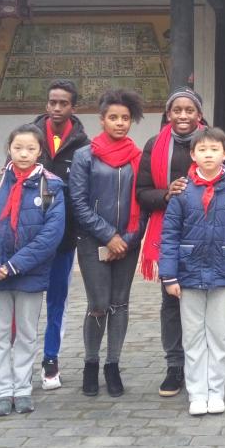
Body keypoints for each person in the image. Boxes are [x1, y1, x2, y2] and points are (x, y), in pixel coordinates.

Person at [0, 80, 89, 399]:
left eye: (63, 103)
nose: (57, 108)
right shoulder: (28, 136)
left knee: (57, 301)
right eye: (52, 102)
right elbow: (8, 177)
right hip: (15, 244)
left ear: (73, 107)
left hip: (61, 238)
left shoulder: (82, 145)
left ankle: (50, 360)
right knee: (10, 311)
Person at [136, 87, 225, 398]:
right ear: (168, 114)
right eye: (177, 110)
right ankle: (176, 365)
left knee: (215, 318)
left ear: (199, 114)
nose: (183, 115)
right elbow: (142, 192)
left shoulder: (213, 141)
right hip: (173, 230)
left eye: (189, 110)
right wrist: (168, 194)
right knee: (171, 303)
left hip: (215, 238)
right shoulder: (154, 145)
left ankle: (211, 375)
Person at [160, 127, 225, 416]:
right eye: (202, 150)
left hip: (224, 273)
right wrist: (169, 275)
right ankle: (197, 392)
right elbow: (169, 236)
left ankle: (216, 391)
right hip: (189, 273)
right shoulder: (182, 190)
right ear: (193, 154)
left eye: (214, 149)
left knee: (219, 336)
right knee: (192, 337)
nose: (208, 155)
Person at [0, 124, 65, 416]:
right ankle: (2, 391)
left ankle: (22, 388)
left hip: (29, 273)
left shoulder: (51, 186)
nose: (24, 154)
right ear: (9, 149)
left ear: (40, 152)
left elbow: (51, 234)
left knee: (26, 334)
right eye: (18, 148)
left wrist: (15, 265)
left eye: (31, 149)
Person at [70, 88, 148, 399]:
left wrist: (127, 239)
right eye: (113, 117)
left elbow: (143, 201)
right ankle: (91, 363)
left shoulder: (138, 158)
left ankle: (112, 364)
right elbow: (78, 202)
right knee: (99, 304)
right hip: (93, 242)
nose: (119, 123)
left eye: (125, 118)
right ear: (101, 120)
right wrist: (108, 236)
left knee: (120, 303)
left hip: (128, 242)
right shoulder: (84, 156)